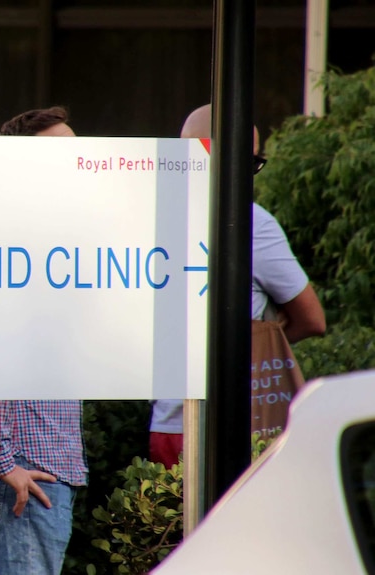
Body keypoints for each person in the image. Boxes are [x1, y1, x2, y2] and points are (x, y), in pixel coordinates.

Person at [148, 104, 326, 467]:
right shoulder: (250, 223)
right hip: (216, 421)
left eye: (253, 164)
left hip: (182, 422)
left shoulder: (148, 214)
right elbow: (312, 320)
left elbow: (312, 320)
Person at [0, 106, 87, 575]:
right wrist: (3, 461)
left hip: (44, 468)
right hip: (26, 470)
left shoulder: (55, 239)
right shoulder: (15, 240)